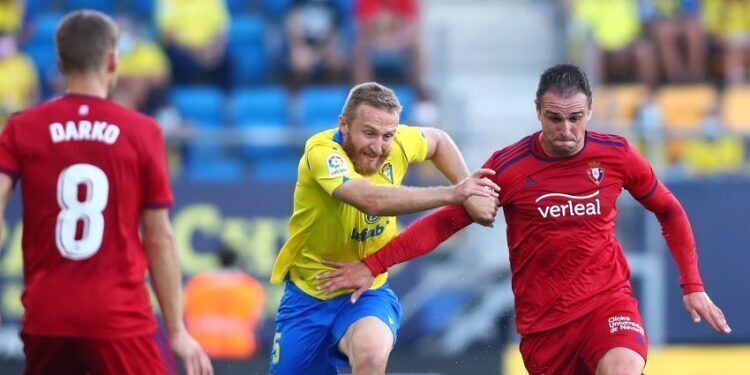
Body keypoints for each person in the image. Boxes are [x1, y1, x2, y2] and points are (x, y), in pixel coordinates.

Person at [317, 64, 732, 375]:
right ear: (537, 111)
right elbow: (446, 222)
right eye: (555, 118)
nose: (566, 129)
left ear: (590, 110)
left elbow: (669, 210)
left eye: (576, 118)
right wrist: (373, 265)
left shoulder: (617, 154)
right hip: (543, 328)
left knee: (623, 367)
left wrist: (692, 285)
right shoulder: (509, 167)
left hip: (607, 304)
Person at [0, 10, 212, 375]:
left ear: (60, 63)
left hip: (45, 314)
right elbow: (159, 236)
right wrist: (176, 331)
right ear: (113, 60)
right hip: (118, 316)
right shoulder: (142, 131)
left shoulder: (22, 127)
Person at [268, 81, 500, 374]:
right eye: (369, 133)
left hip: (367, 294)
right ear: (344, 125)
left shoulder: (400, 142)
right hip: (308, 298)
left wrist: (470, 190)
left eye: (387, 135)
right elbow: (369, 200)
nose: (378, 147)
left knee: (371, 355)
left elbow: (439, 140)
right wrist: (457, 193)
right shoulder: (321, 152)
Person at [184, 245, 265, 359]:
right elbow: (257, 318)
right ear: (236, 261)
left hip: (201, 347)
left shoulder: (198, 283)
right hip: (238, 349)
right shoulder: (249, 286)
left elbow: (186, 312)